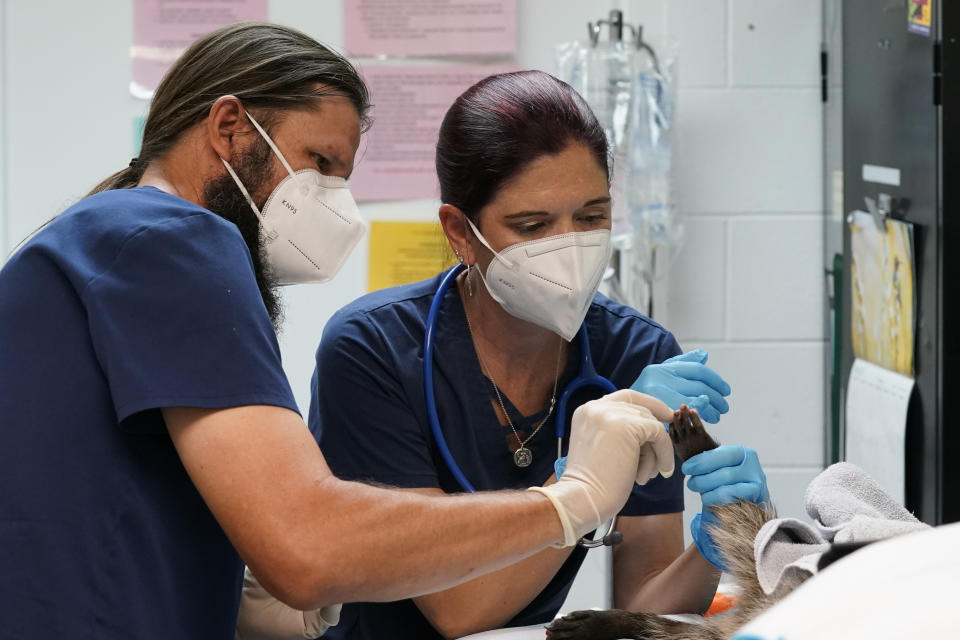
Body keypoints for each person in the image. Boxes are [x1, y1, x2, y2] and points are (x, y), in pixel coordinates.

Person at [0, 24, 683, 640]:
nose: (334, 203)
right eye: (320, 163)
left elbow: (99, 499)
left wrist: (234, 592)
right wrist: (576, 496)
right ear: (231, 126)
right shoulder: (176, 238)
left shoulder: (110, 238)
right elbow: (307, 547)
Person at [308, 71, 770, 640]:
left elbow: (643, 604)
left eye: (592, 216)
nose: (569, 246)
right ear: (460, 231)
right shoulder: (373, 349)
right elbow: (457, 610)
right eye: (532, 226)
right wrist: (581, 487)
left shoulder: (634, 353)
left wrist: (719, 539)